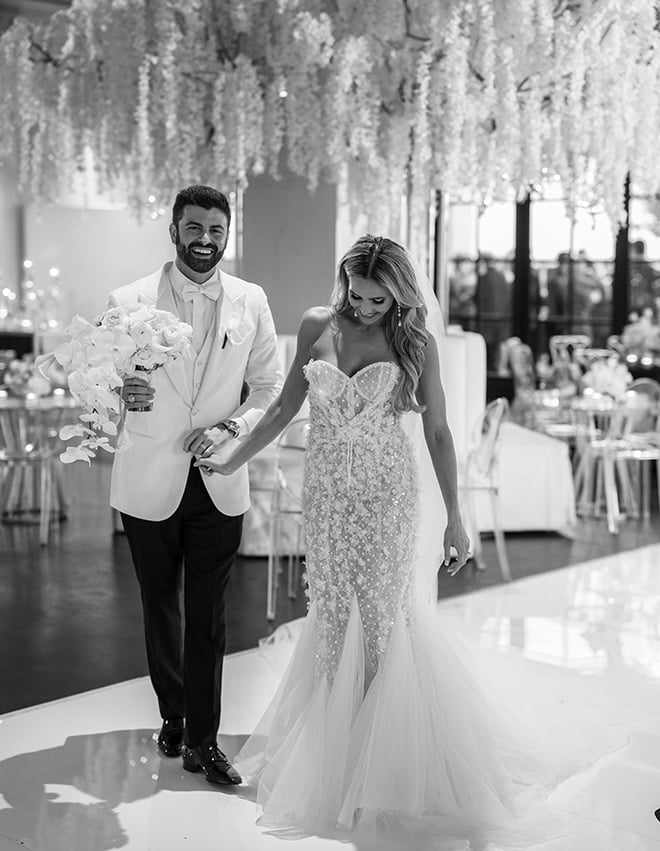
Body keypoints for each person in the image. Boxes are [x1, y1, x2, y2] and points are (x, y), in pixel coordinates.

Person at [196, 235, 601, 843]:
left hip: (389, 496)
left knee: (384, 619)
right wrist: (231, 461)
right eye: (356, 295)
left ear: (400, 296)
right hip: (330, 496)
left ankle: (386, 764)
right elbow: (282, 410)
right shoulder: (315, 324)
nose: (363, 308)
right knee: (333, 616)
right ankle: (338, 758)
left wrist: (456, 520)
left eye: (377, 300)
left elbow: (438, 431)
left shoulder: (415, 342)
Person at [107, 185, 282, 786]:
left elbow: (269, 388)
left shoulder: (250, 299)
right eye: (194, 229)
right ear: (174, 230)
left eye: (216, 230)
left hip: (219, 475)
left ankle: (204, 742)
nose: (205, 241)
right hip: (148, 478)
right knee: (160, 605)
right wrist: (118, 395)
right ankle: (173, 715)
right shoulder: (128, 300)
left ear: (226, 232)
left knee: (208, 615)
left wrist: (230, 427)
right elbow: (99, 387)